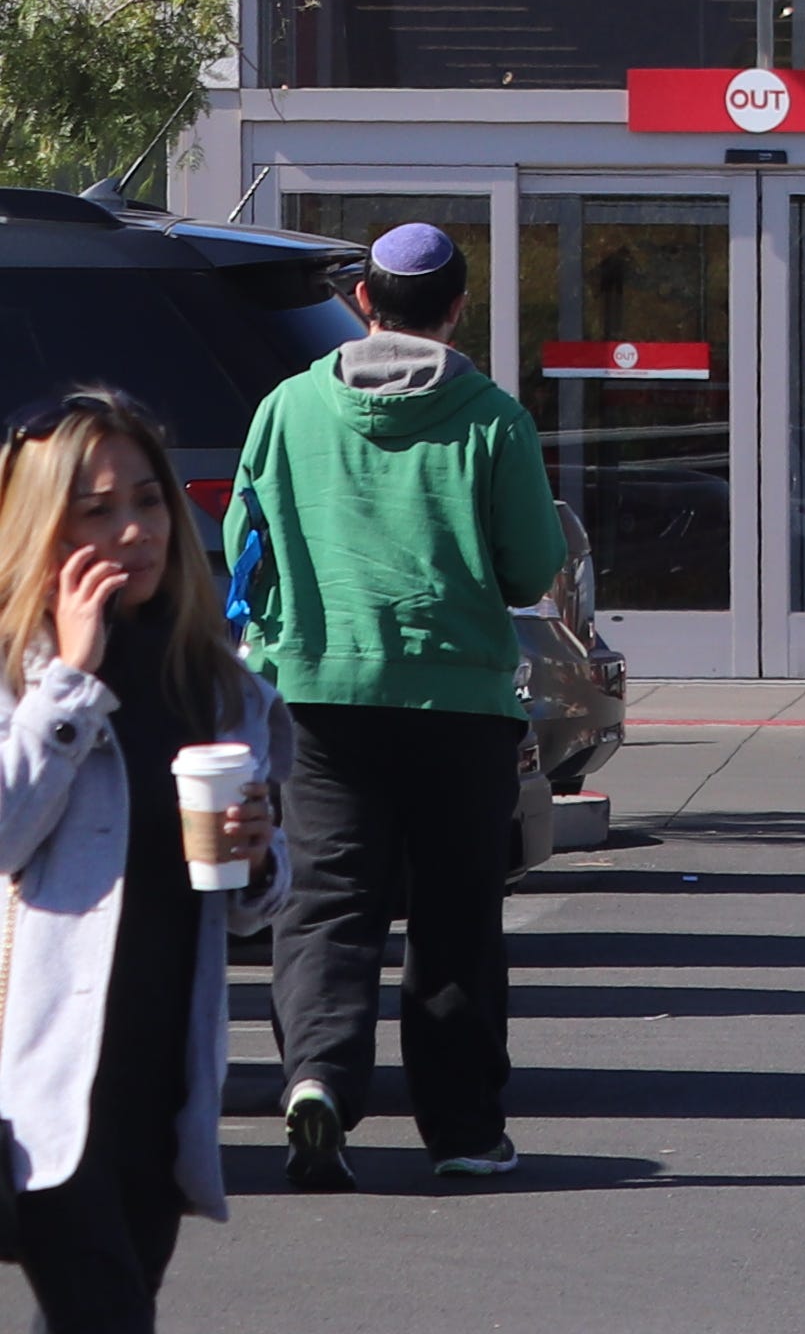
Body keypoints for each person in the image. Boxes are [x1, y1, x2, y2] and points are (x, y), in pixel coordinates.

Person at [231, 223, 567, 1194]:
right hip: (459, 702)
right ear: (456, 308)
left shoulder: (288, 408)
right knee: (456, 915)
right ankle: (462, 1129)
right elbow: (531, 564)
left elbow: (242, 540)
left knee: (326, 904)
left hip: (321, 696)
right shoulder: (492, 419)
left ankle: (318, 1083)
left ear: (365, 304)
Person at [0, 390, 278, 1330]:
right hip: (40, 1082)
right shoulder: (18, 675)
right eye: (97, 509)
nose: (134, 530)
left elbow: (243, 907)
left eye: (148, 501)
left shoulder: (216, 685)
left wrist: (260, 854)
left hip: (159, 1079)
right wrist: (70, 683)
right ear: (43, 525)